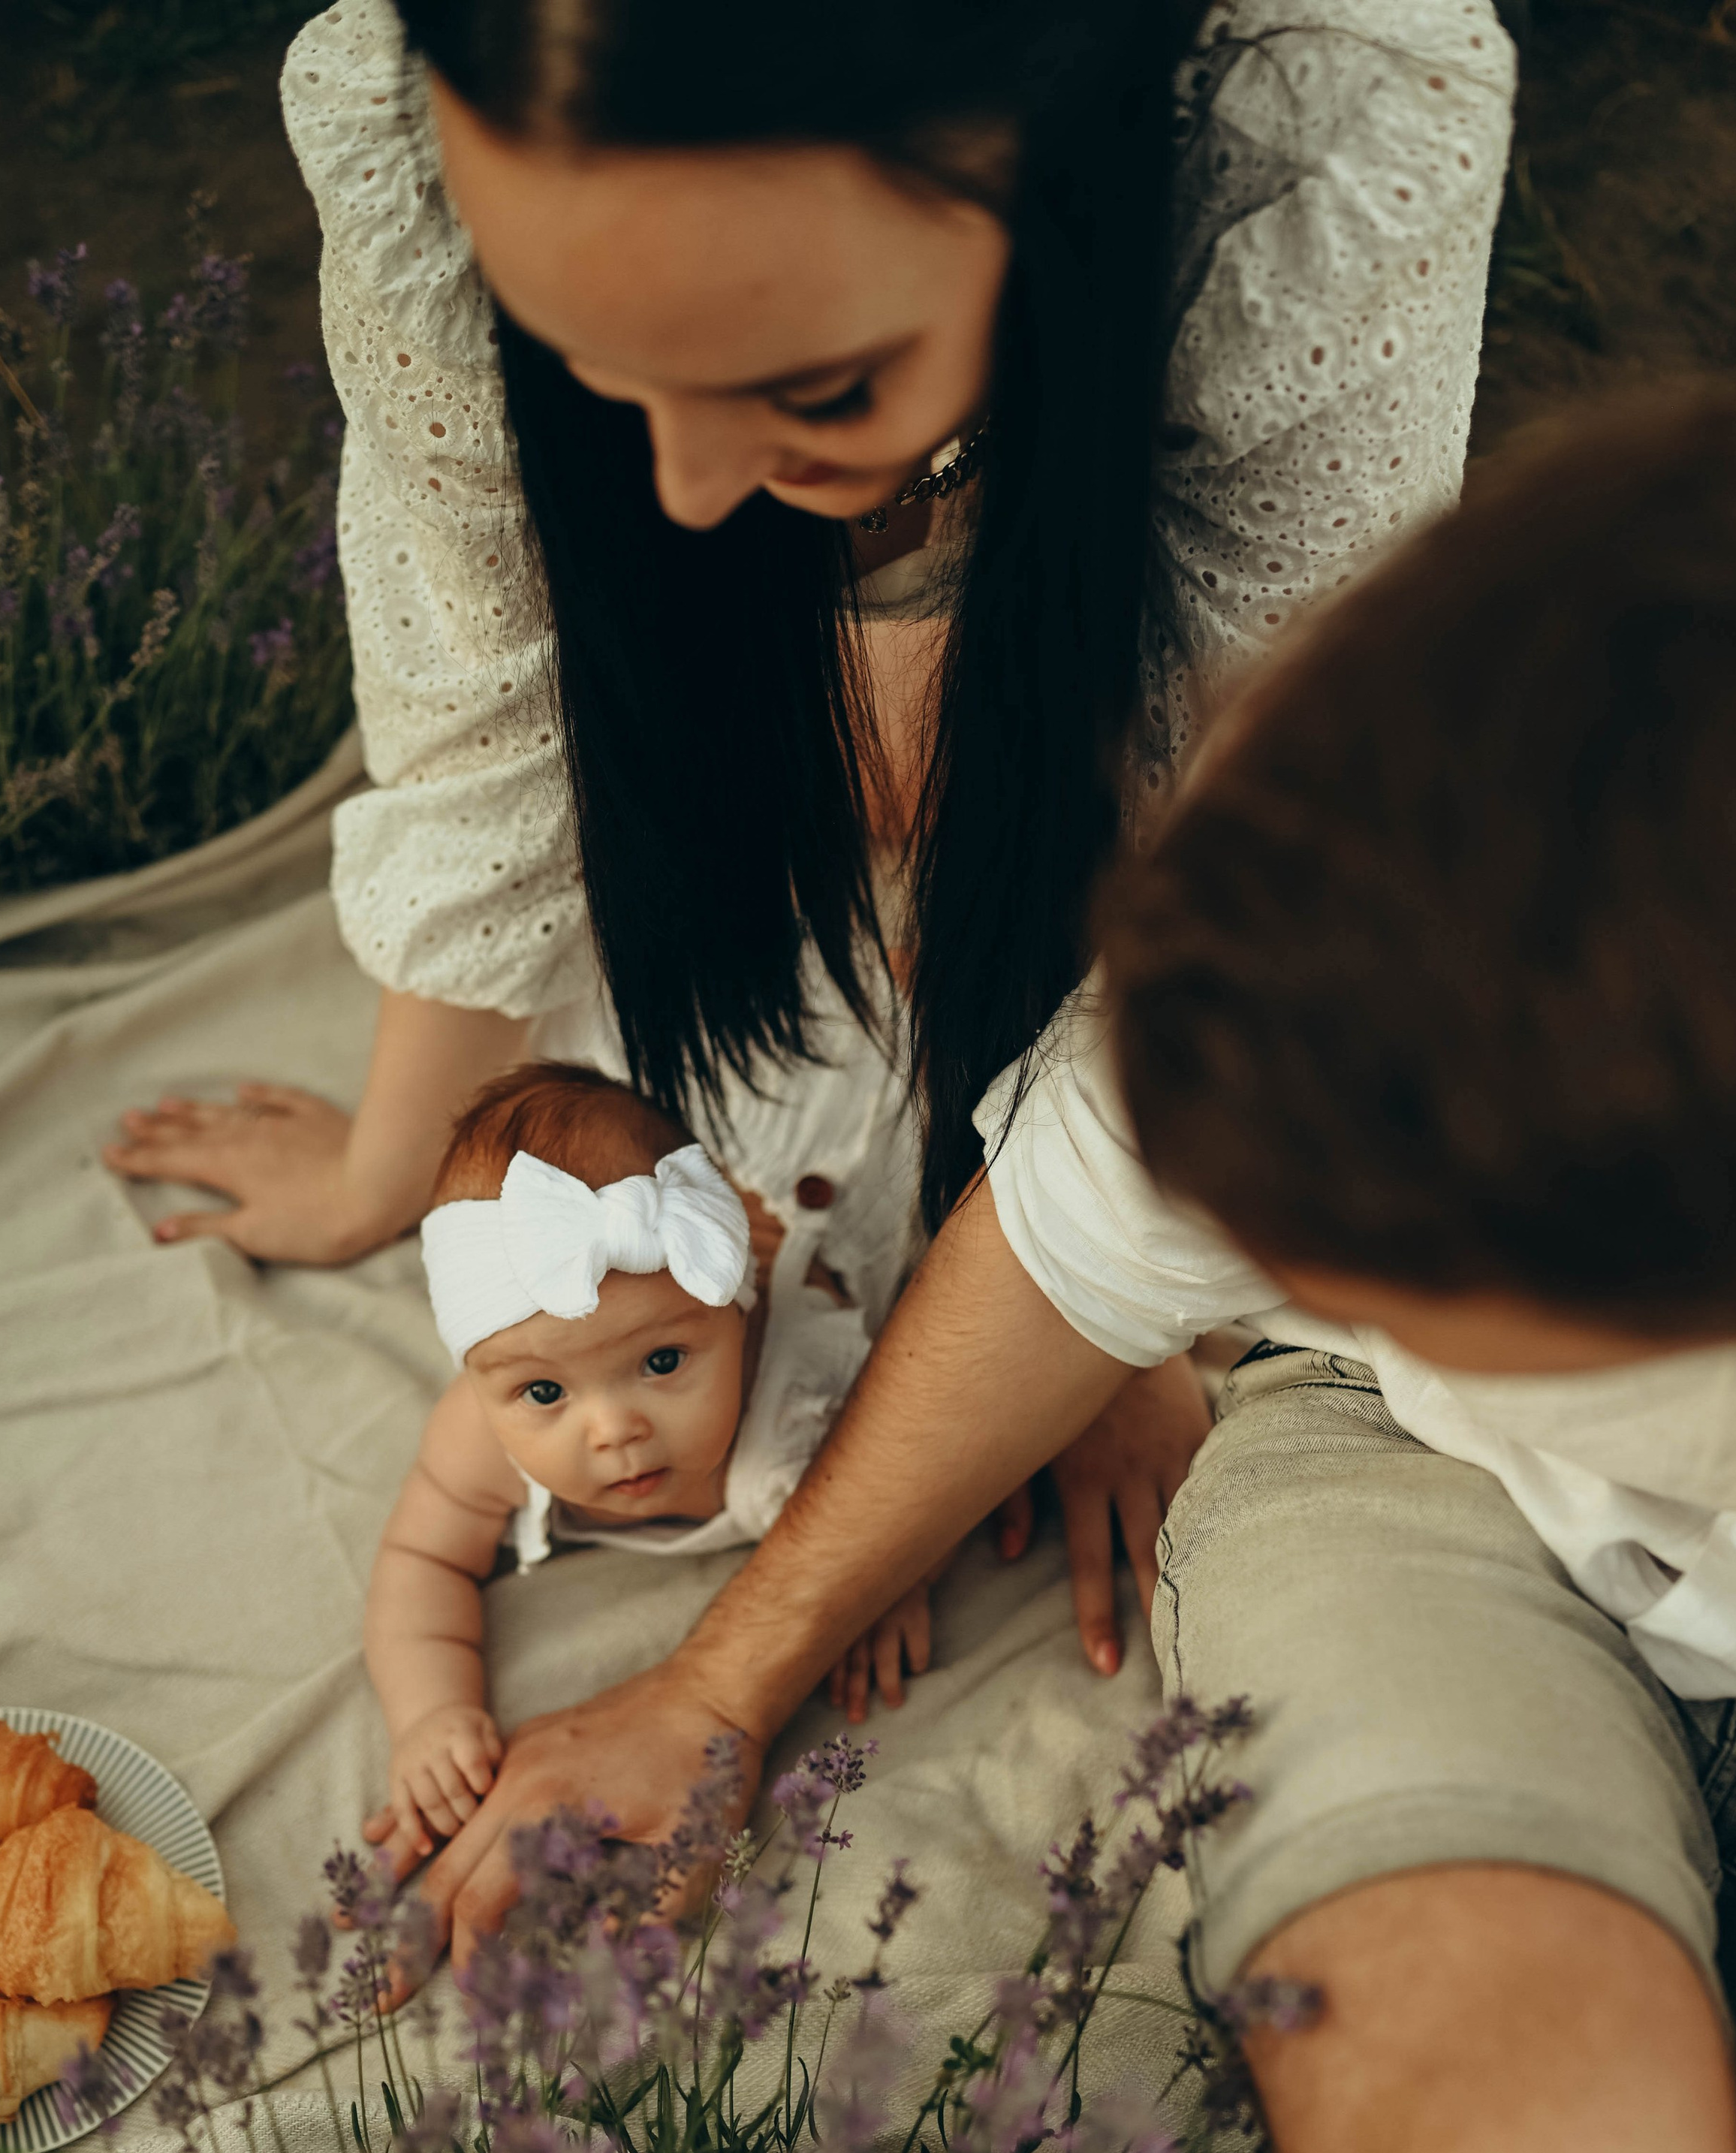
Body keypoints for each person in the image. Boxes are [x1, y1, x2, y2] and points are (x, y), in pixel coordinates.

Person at [399, 376, 1736, 2153]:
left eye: (1364, 1261)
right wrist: (719, 1685)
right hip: (1422, 1515)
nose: (1223, 1265)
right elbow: (1070, 1249)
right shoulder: (1384, 892)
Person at [100, 0, 1515, 1677]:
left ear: (1059, 187)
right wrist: (390, 1167)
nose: (687, 496)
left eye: (813, 388)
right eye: (596, 380)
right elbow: (486, 711)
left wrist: (1099, 1309)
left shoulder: (1318, 136)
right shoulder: (414, 104)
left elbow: (1245, 819)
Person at [364, 1060, 929, 1856]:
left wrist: (887, 1571)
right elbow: (419, 1560)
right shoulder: (478, 1438)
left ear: (742, 1315)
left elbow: (917, 1467)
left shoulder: (810, 1391)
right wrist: (430, 1713)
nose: (613, 1429)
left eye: (662, 1363)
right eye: (543, 1392)